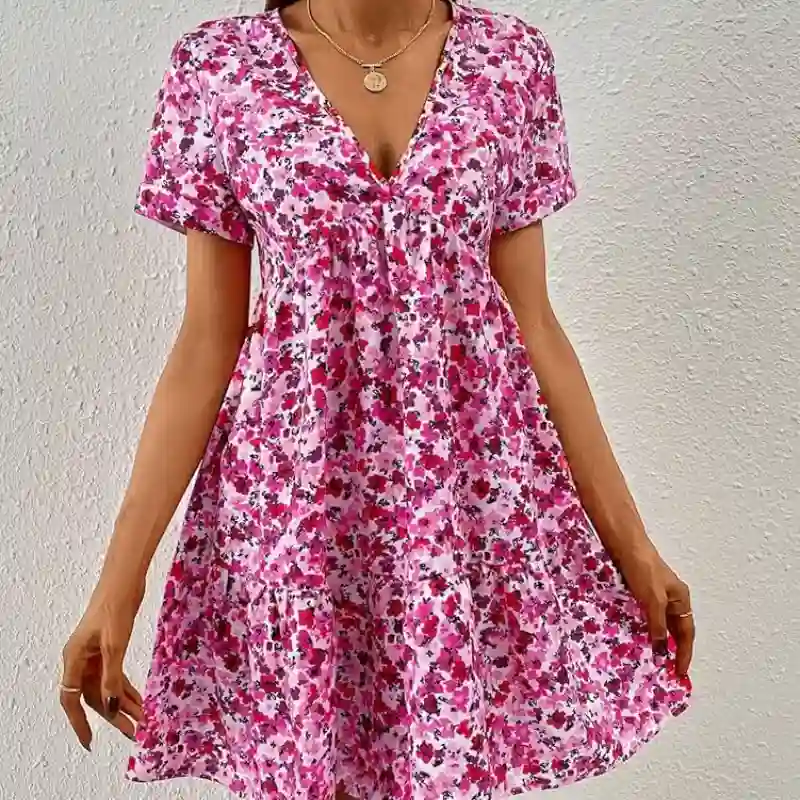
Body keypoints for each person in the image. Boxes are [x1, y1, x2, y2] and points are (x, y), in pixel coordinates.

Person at [59, 1, 694, 798]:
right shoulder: (219, 69)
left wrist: (634, 547)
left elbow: (533, 323)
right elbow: (204, 342)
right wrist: (118, 586)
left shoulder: (510, 61)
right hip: (299, 505)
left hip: (461, 506)